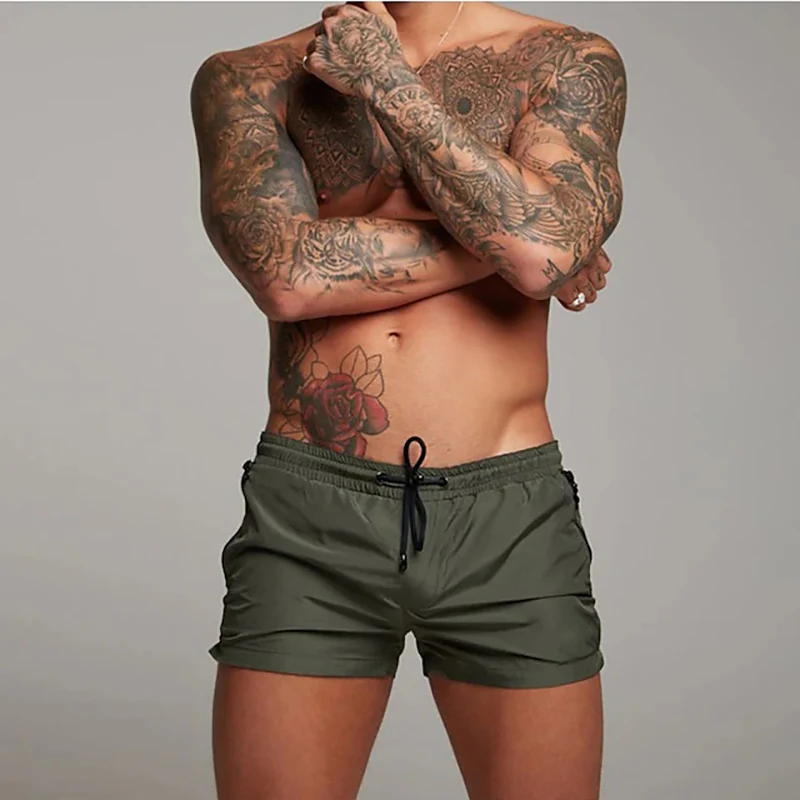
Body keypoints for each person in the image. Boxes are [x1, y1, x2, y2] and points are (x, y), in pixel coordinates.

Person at [190, 1, 626, 797]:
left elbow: (548, 248)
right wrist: (513, 245)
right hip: (311, 516)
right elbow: (285, 275)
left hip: (507, 518)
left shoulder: (564, 59)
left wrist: (386, 79)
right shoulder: (246, 77)